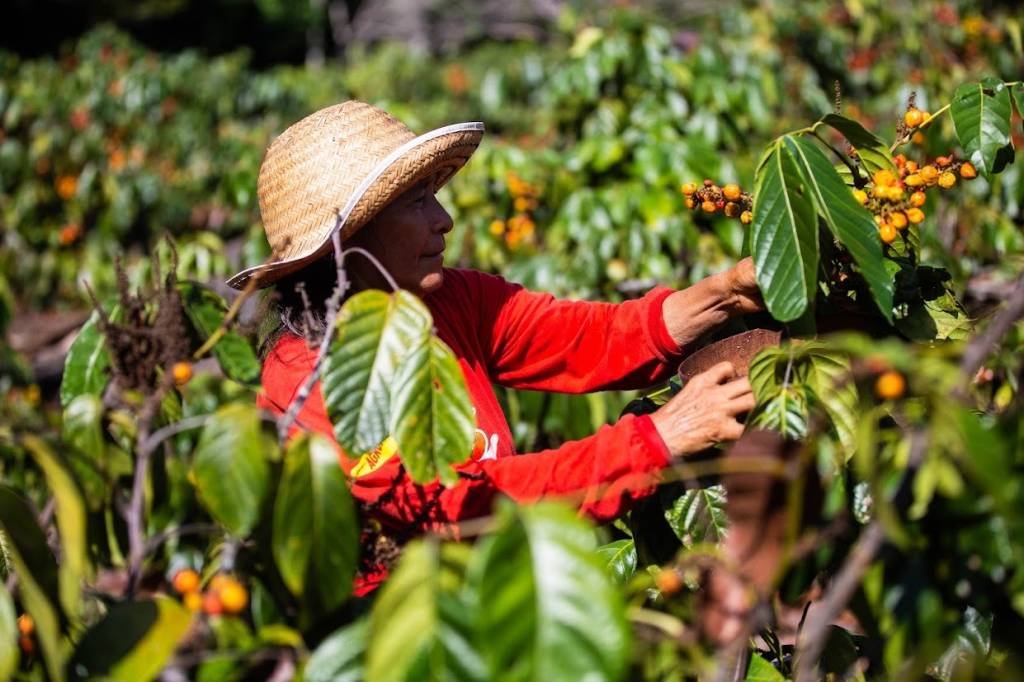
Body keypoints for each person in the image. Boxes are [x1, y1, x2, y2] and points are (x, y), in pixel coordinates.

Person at [228, 101, 764, 599]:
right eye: (416, 201)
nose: (443, 219)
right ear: (350, 240)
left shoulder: (450, 300)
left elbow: (587, 338)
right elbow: (458, 510)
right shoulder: (311, 377)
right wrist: (657, 439)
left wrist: (724, 293)